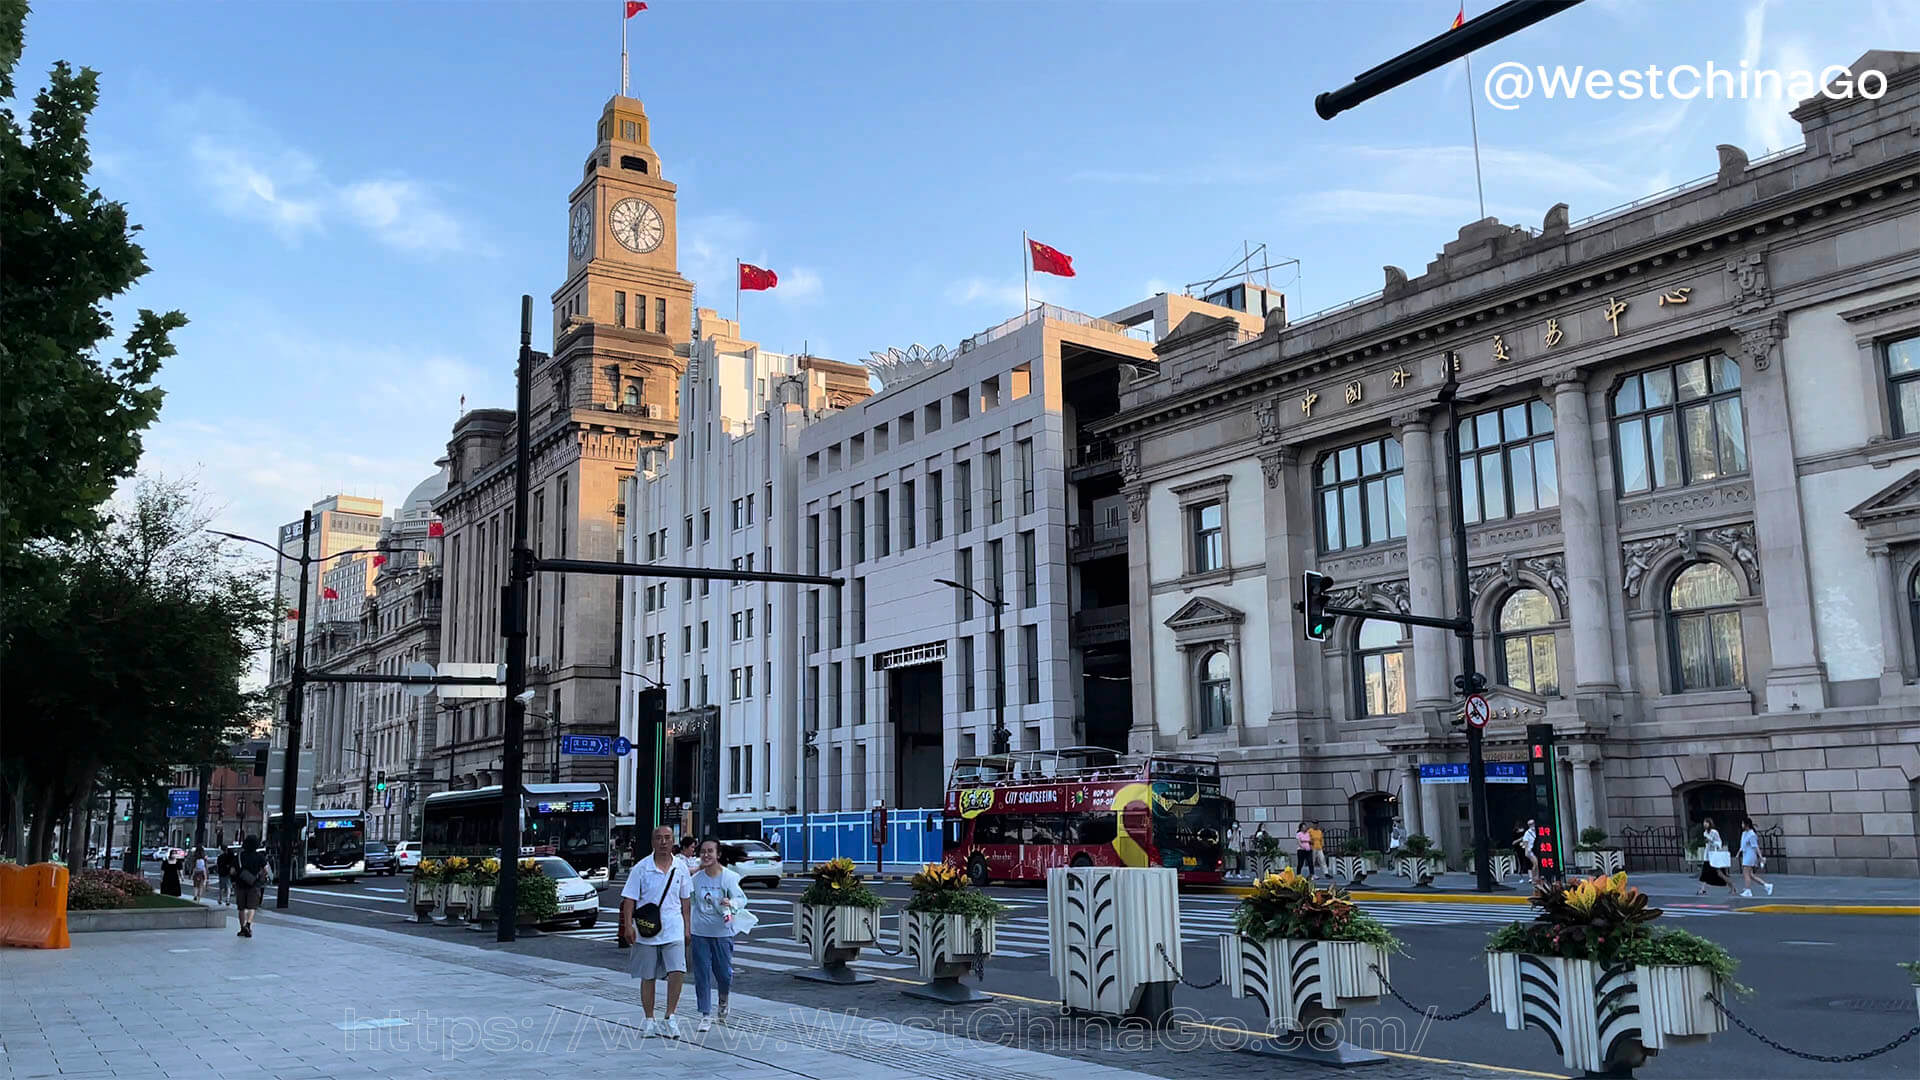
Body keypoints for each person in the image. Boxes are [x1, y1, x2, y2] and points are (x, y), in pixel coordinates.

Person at [620, 825, 693, 1038]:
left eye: (667, 838)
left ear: (673, 841)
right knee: (648, 975)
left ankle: (670, 1016)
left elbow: (685, 902)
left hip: (673, 927)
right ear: (653, 842)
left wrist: (688, 928)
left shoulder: (680, 868)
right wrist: (627, 926)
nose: (663, 842)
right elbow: (629, 900)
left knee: (677, 971)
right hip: (647, 929)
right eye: (659, 838)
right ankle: (649, 1019)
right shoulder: (641, 868)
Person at [688, 838, 748, 1034]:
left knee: (723, 973)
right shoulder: (696, 879)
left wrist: (730, 902)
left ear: (718, 854)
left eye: (710, 851)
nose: (706, 855)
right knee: (701, 973)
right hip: (700, 932)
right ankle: (705, 1014)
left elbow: (742, 899)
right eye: (703, 851)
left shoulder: (729, 877)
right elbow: (689, 902)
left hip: (722, 932)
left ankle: (723, 999)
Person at [232, 835, 269, 937]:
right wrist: (260, 877)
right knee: (252, 907)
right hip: (254, 884)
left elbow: (232, 871)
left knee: (241, 908)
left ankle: (242, 928)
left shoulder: (239, 856)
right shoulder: (259, 857)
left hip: (240, 884)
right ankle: (248, 924)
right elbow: (266, 870)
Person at [1696, 817, 1734, 897]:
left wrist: (1709, 839)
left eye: (1706, 822)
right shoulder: (1705, 832)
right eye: (1704, 822)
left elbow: (1718, 842)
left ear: (1710, 823)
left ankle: (1731, 886)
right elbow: (1707, 843)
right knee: (1705, 873)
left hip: (1714, 855)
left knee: (1720, 873)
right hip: (1708, 856)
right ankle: (1702, 889)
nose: (1705, 824)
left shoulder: (1714, 832)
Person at [1737, 818, 1773, 897]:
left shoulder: (1752, 834)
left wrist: (1760, 857)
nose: (1742, 825)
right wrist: (1739, 852)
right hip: (1745, 855)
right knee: (1750, 875)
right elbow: (1743, 845)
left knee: (1746, 873)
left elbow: (1755, 847)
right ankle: (1766, 885)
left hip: (1750, 856)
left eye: (1743, 823)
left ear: (1747, 824)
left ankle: (1748, 890)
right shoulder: (1744, 833)